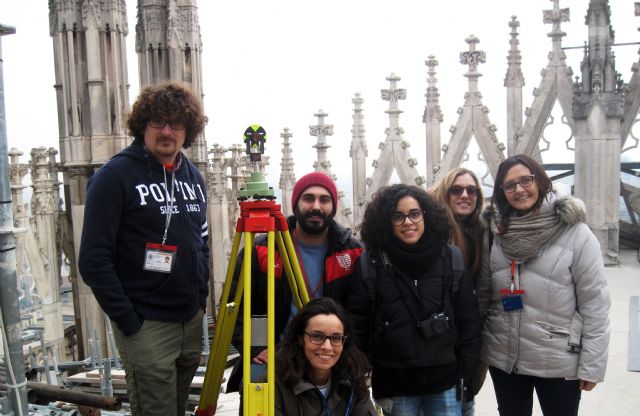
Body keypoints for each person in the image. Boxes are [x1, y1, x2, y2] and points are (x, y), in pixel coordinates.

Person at [78, 81, 209, 416]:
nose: (167, 131)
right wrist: (130, 320)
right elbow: (94, 260)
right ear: (142, 125)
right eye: (158, 122)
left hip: (189, 320)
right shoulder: (115, 176)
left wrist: (200, 299)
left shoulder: (192, 176)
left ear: (188, 129)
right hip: (147, 324)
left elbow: (201, 240)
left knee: (177, 409)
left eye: (176, 123)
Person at [477, 154, 611, 416]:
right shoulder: (494, 232)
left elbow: (595, 304)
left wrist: (592, 365)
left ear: (539, 181)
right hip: (506, 358)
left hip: (558, 359)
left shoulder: (574, 231)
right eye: (510, 185)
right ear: (502, 192)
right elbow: (484, 295)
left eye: (525, 180)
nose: (519, 189)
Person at [347, 184, 481, 416]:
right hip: (395, 384)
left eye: (414, 214)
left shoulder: (451, 258)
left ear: (426, 216)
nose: (407, 222)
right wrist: (360, 375)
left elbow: (468, 318)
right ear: (385, 221)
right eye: (397, 216)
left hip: (445, 381)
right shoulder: (371, 262)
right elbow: (358, 322)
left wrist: (464, 370)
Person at [227, 171, 364, 392]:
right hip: (276, 356)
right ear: (296, 202)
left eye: (324, 199)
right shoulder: (264, 248)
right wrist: (254, 348)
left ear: (334, 206)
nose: (317, 206)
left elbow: (362, 311)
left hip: (331, 356)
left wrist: (348, 352)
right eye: (309, 198)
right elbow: (235, 305)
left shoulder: (353, 252)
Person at [429, 168, 487, 415]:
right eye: (457, 189)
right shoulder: (430, 232)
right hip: (439, 342)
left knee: (464, 401)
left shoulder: (483, 231)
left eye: (471, 190)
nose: (465, 195)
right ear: (445, 193)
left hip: (470, 333)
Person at [275, 297, 376, 416]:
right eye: (317, 336)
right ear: (300, 338)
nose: (327, 346)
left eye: (336, 338)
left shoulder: (354, 377)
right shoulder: (274, 381)